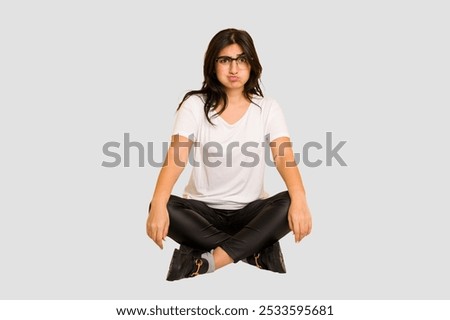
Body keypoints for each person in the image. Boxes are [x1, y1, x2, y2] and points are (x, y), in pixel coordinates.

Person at [146, 28, 312, 281]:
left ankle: (205, 262)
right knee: (162, 204)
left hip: (251, 213)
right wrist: (157, 205)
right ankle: (254, 250)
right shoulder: (194, 105)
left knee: (290, 201)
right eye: (225, 60)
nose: (234, 69)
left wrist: (300, 200)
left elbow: (284, 157)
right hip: (202, 213)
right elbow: (177, 156)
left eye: (241, 59)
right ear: (213, 65)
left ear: (252, 64)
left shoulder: (267, 108)